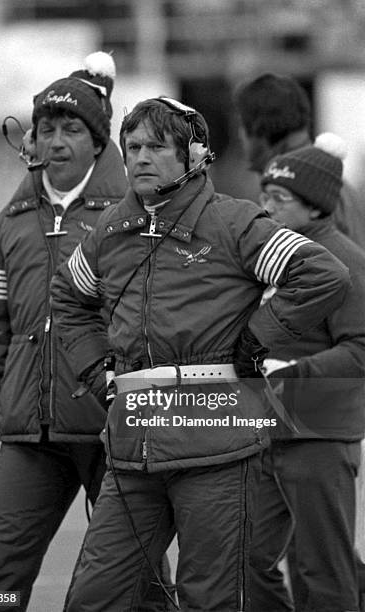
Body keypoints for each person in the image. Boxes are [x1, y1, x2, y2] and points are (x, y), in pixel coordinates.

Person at [50, 96, 351, 611]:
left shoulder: (234, 223)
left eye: (156, 147)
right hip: (130, 452)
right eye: (133, 147)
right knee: (92, 598)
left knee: (209, 601)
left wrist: (257, 339)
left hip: (216, 453)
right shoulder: (110, 233)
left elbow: (322, 273)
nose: (140, 157)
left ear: (195, 154)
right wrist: (97, 370)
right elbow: (68, 297)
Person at [0, 52, 129, 612]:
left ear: (98, 141)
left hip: (114, 431)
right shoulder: (10, 223)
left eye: (71, 129)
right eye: (46, 128)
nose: (55, 140)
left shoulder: (133, 216)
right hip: (31, 436)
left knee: (134, 584)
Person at [249, 133, 365, 612]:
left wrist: (295, 370)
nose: (267, 207)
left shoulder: (349, 263)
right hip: (262, 426)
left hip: (320, 431)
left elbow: (361, 350)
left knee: (324, 570)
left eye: (280, 198)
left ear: (316, 207)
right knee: (244, 555)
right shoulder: (271, 257)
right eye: (265, 195)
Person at [234, 72, 365, 248]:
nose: (239, 135)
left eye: (241, 125)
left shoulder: (299, 194)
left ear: (258, 130)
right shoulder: (330, 184)